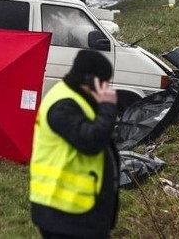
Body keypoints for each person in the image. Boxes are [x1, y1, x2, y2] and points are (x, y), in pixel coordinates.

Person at [29, 50, 121, 239]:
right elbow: (91, 141)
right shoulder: (63, 106)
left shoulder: (78, 99)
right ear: (89, 81)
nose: (107, 88)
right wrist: (108, 107)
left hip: (76, 213)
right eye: (103, 83)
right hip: (64, 213)